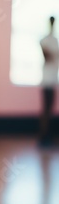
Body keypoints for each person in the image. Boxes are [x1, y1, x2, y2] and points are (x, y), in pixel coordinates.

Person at [39, 16, 58, 148]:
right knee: (46, 110)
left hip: (53, 80)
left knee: (49, 110)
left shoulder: (55, 41)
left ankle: (48, 137)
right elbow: (48, 57)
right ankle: (43, 137)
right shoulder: (44, 40)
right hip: (46, 81)